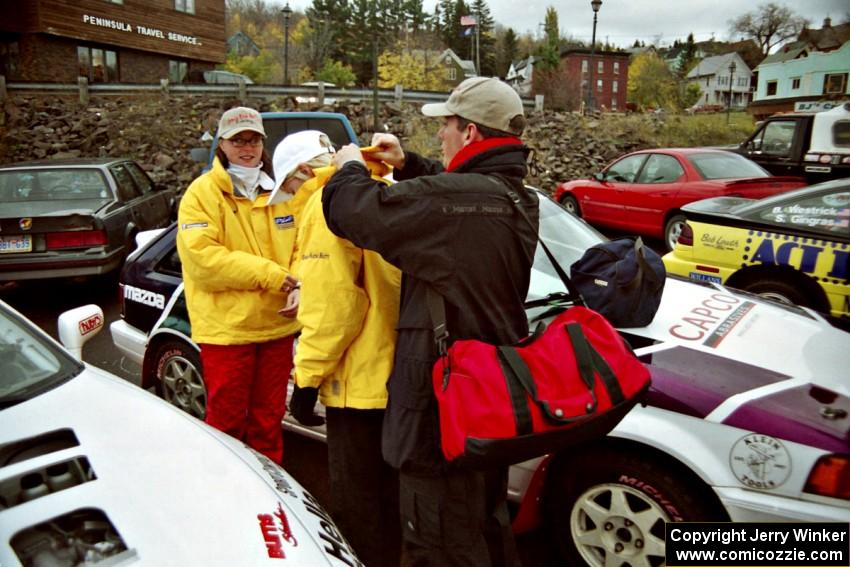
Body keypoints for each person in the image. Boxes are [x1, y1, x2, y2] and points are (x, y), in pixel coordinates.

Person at [321, 77, 539, 567]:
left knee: (438, 543)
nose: (439, 135)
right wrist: (409, 166)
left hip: (442, 410)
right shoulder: (517, 197)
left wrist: (349, 169)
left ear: (470, 134)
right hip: (490, 399)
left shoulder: (457, 203)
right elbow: (457, 199)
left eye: (445, 126)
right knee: (484, 523)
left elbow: (353, 211)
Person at [272, 129, 403, 567]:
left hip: (358, 384)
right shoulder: (382, 190)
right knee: (394, 500)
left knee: (358, 507)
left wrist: (306, 382)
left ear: (305, 171)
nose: (289, 198)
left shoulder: (325, 202)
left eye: (288, 185)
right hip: (398, 374)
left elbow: (336, 306)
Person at [176, 106, 301, 465]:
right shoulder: (201, 194)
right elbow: (203, 261)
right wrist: (275, 276)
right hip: (227, 332)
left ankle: (271, 487)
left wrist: (299, 284)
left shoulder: (282, 192)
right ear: (223, 145)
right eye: (238, 141)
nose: (247, 148)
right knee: (226, 423)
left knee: (269, 419)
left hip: (277, 327)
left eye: (254, 140)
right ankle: (225, 486)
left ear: (264, 143)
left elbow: (302, 245)